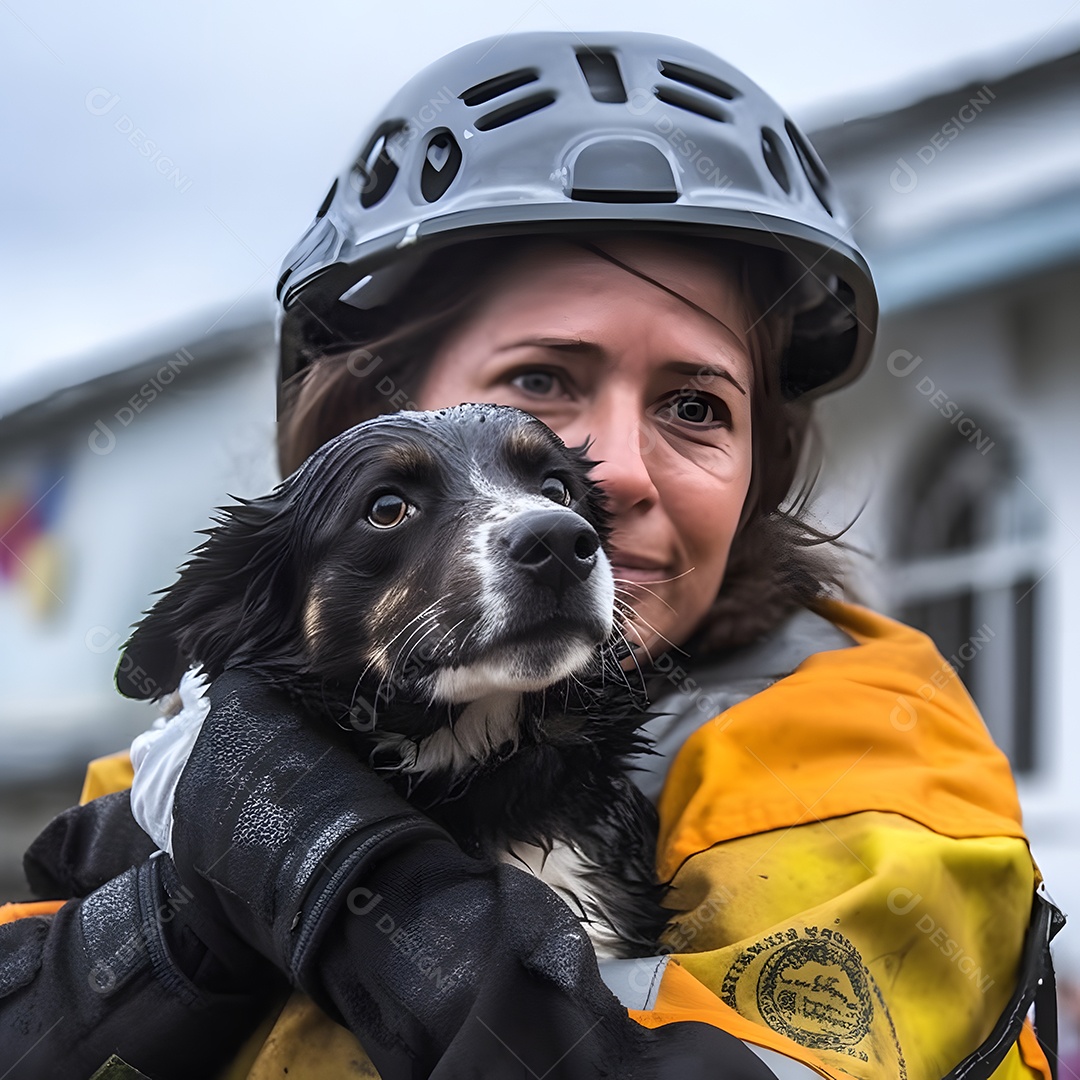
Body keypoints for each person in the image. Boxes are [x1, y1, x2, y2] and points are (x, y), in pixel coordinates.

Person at [0, 30, 1063, 1080]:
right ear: (363, 420)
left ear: (758, 464)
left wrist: (317, 853)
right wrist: (191, 915)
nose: (607, 483)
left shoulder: (868, 759)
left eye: (696, 406)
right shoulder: (185, 766)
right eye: (542, 382)